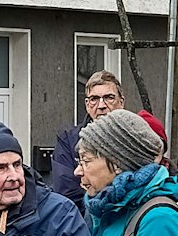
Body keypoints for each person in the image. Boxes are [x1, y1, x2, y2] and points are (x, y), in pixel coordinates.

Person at [50, 70, 126, 202]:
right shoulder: (69, 141)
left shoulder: (133, 138)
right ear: (86, 104)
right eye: (94, 99)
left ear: (121, 102)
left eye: (109, 98)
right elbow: (66, 193)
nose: (101, 105)